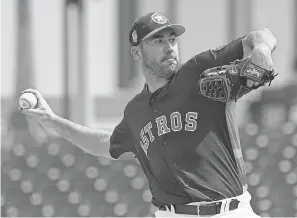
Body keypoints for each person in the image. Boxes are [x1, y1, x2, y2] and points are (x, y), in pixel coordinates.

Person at [20, 12, 277, 218]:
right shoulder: (135, 111)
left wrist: (262, 51)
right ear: (136, 53)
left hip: (230, 211)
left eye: (172, 39)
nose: (169, 47)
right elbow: (105, 144)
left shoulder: (197, 70)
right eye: (158, 41)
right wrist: (53, 121)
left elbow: (260, 36)